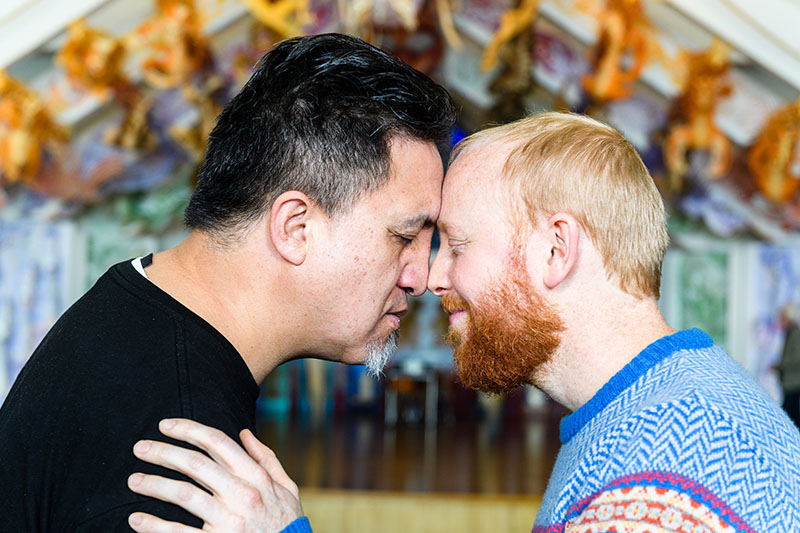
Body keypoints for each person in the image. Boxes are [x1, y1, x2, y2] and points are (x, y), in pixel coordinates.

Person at [125, 112, 800, 532]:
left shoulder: (658, 494)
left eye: (457, 243)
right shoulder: (680, 407)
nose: (432, 277)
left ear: (556, 251)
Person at [0, 33, 456, 532]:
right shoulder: (182, 463)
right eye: (404, 237)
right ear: (296, 228)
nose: (422, 277)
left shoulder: (138, 303)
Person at [778, 304, 800, 427]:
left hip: (794, 382)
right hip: (790, 382)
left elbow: (796, 358)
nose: (780, 320)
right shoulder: (790, 333)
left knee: (787, 414)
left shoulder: (795, 334)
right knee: (793, 415)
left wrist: (780, 365)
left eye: (782, 317)